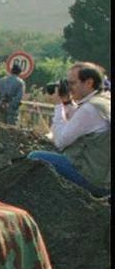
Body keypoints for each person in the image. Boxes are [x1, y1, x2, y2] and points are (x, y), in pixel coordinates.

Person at [29, 62, 110, 196]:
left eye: (72, 83)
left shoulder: (90, 109)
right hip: (104, 177)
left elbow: (60, 142)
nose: (69, 87)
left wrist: (58, 106)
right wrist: (66, 102)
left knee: (35, 157)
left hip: (93, 178)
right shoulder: (103, 101)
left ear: (89, 83)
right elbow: (80, 122)